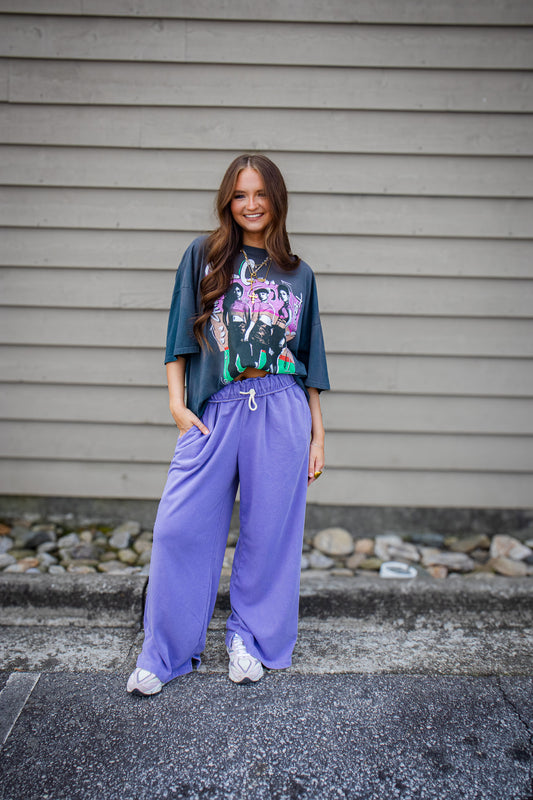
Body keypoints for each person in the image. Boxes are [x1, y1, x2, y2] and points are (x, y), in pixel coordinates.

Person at [127, 153, 330, 697]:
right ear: (228, 200)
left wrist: (318, 431)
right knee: (179, 528)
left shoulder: (299, 274)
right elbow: (178, 336)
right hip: (216, 406)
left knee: (270, 535)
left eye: (260, 193)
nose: (251, 204)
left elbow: (310, 357)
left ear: (277, 199)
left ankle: (250, 640)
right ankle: (165, 652)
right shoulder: (205, 256)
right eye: (240, 195)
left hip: (283, 403)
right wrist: (176, 404)